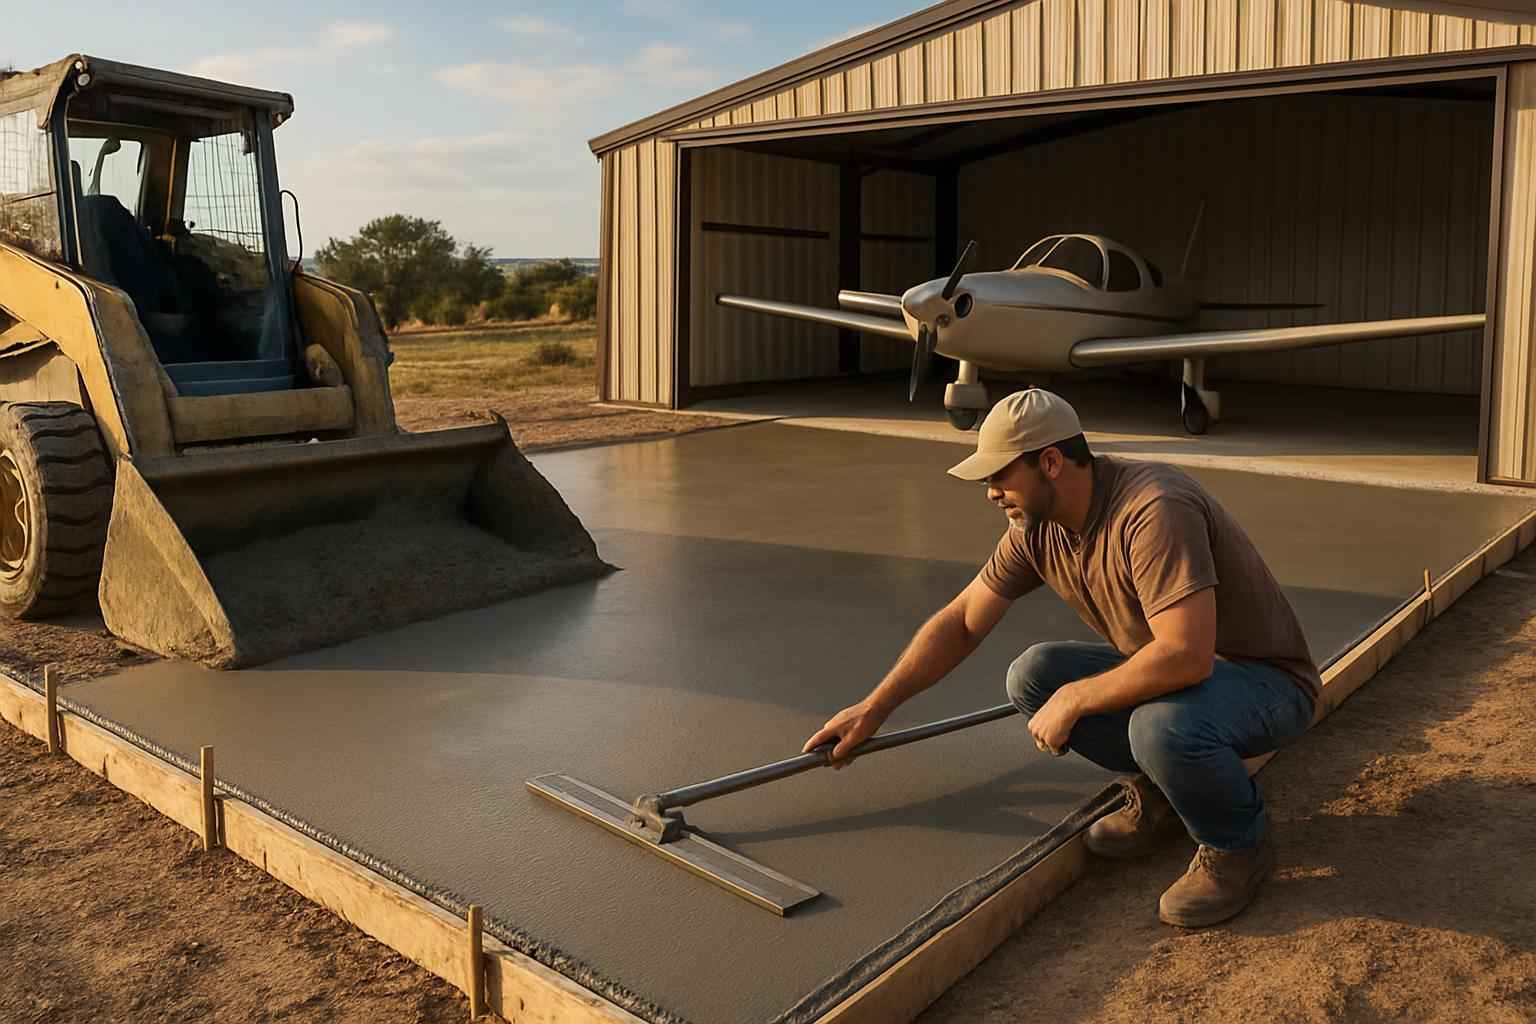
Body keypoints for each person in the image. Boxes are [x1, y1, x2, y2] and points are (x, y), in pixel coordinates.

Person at [802, 388, 1318, 927]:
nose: (991, 493)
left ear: (1050, 462)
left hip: (1265, 683)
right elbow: (961, 623)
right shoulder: (1035, 529)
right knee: (1033, 676)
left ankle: (1238, 845)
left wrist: (1078, 697)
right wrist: (874, 709)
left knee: (1159, 728)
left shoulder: (1153, 509)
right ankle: (1172, 792)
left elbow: (1187, 657)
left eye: (999, 476)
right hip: (1184, 680)